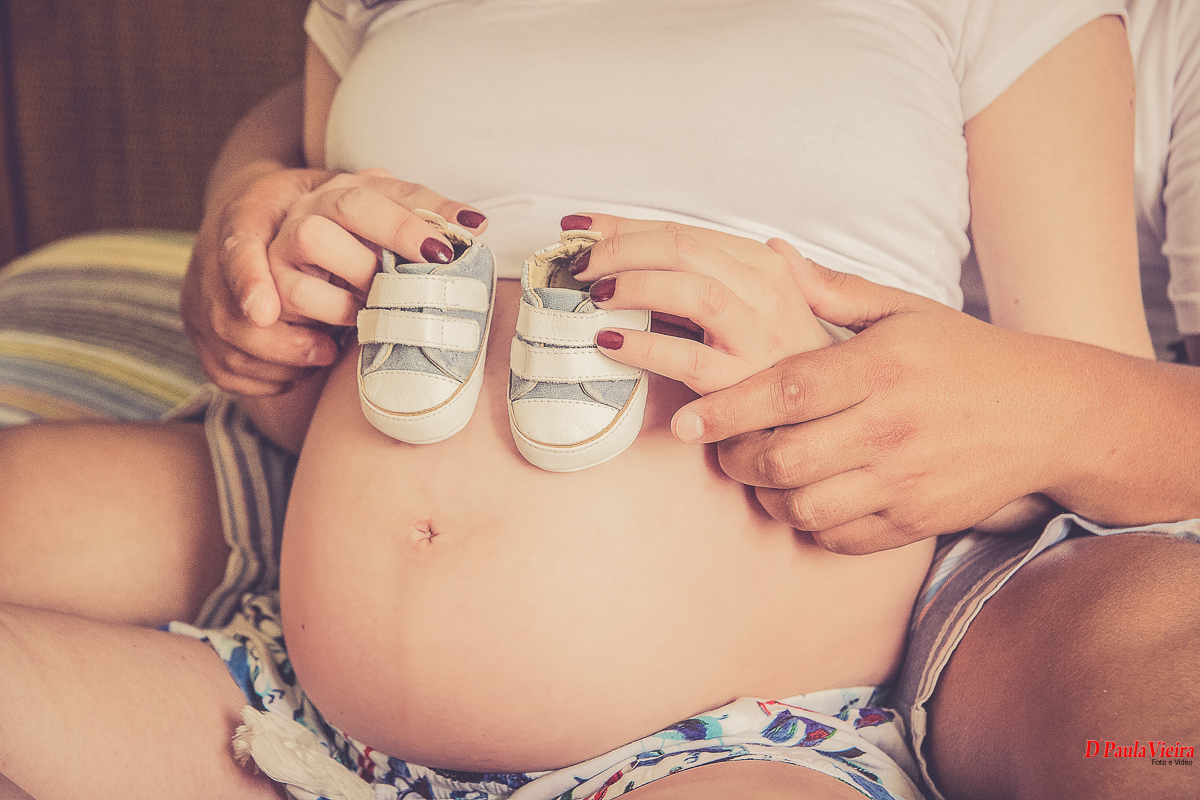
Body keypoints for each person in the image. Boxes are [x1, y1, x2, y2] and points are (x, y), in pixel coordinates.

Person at [0, 4, 1165, 800]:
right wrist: (268, 304)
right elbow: (311, 371)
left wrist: (829, 387)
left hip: (725, 742)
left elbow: (1066, 430)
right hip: (287, 706)